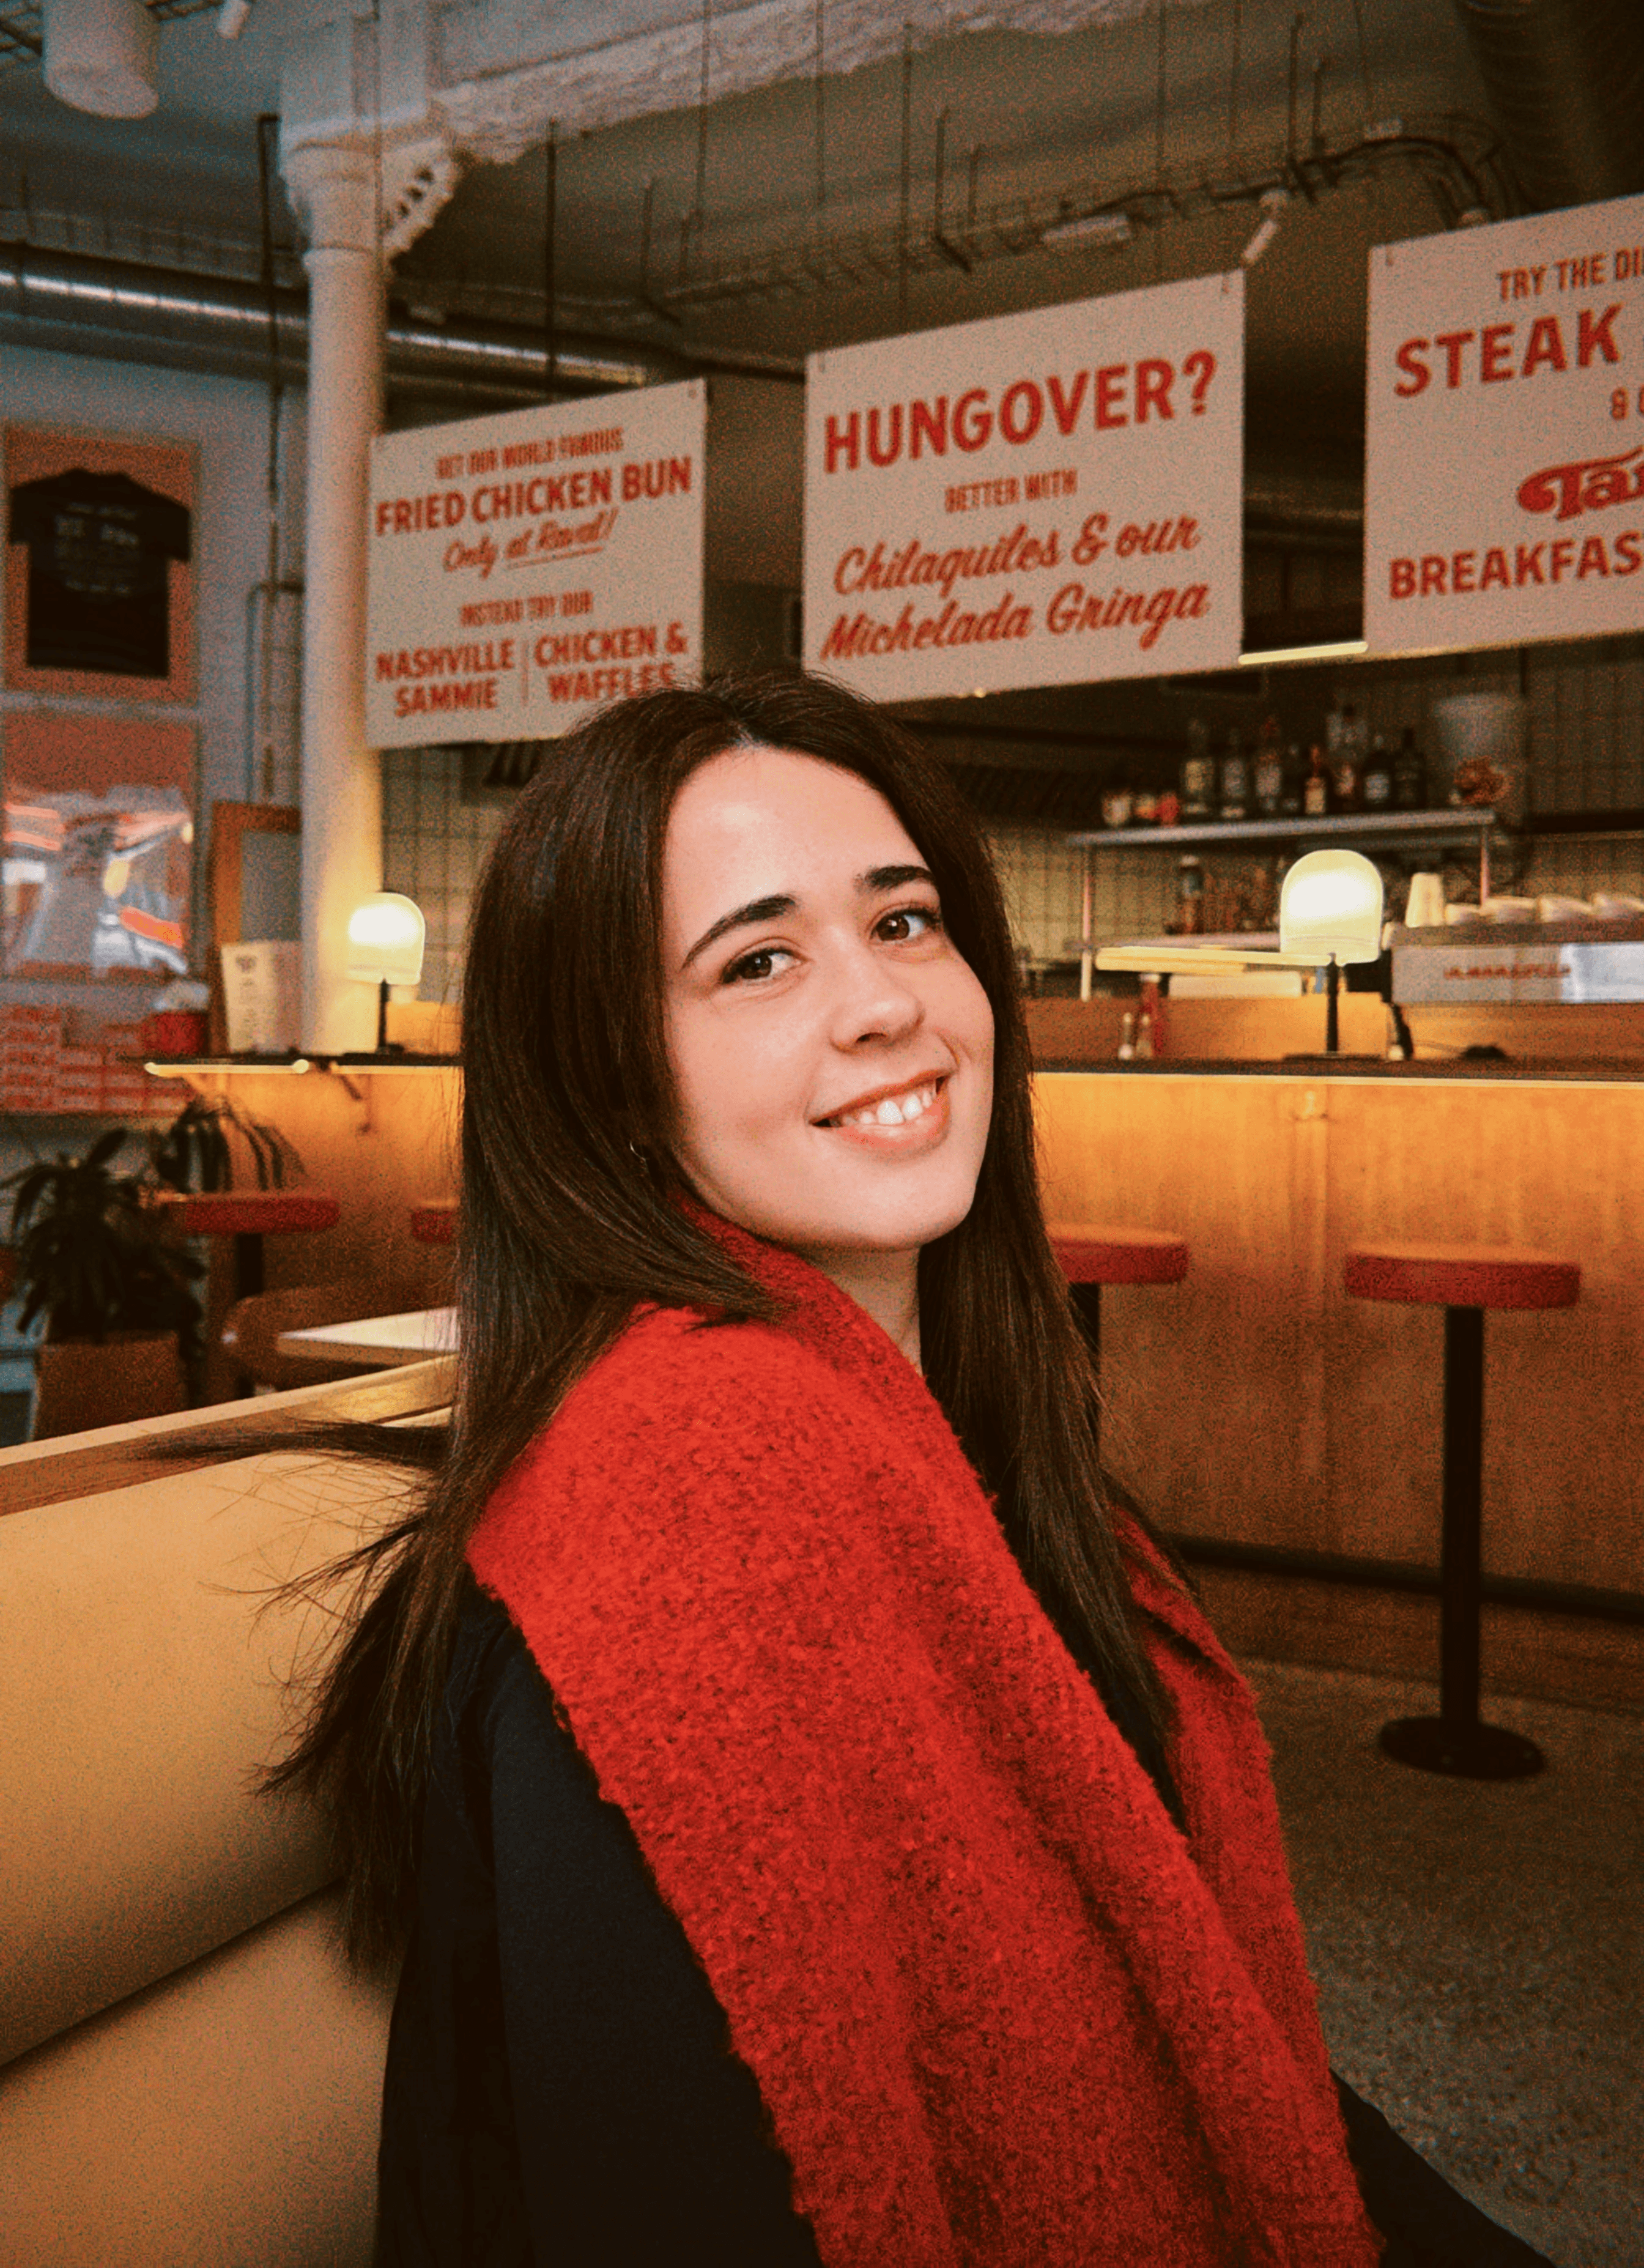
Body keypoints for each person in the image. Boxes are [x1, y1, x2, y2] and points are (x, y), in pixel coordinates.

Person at [275, 673, 1555, 2267]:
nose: (885, 1004)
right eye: (755, 959)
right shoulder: (677, 1490)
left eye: (903, 922)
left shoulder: (977, 1457)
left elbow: (1216, 2055)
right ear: (607, 1080)